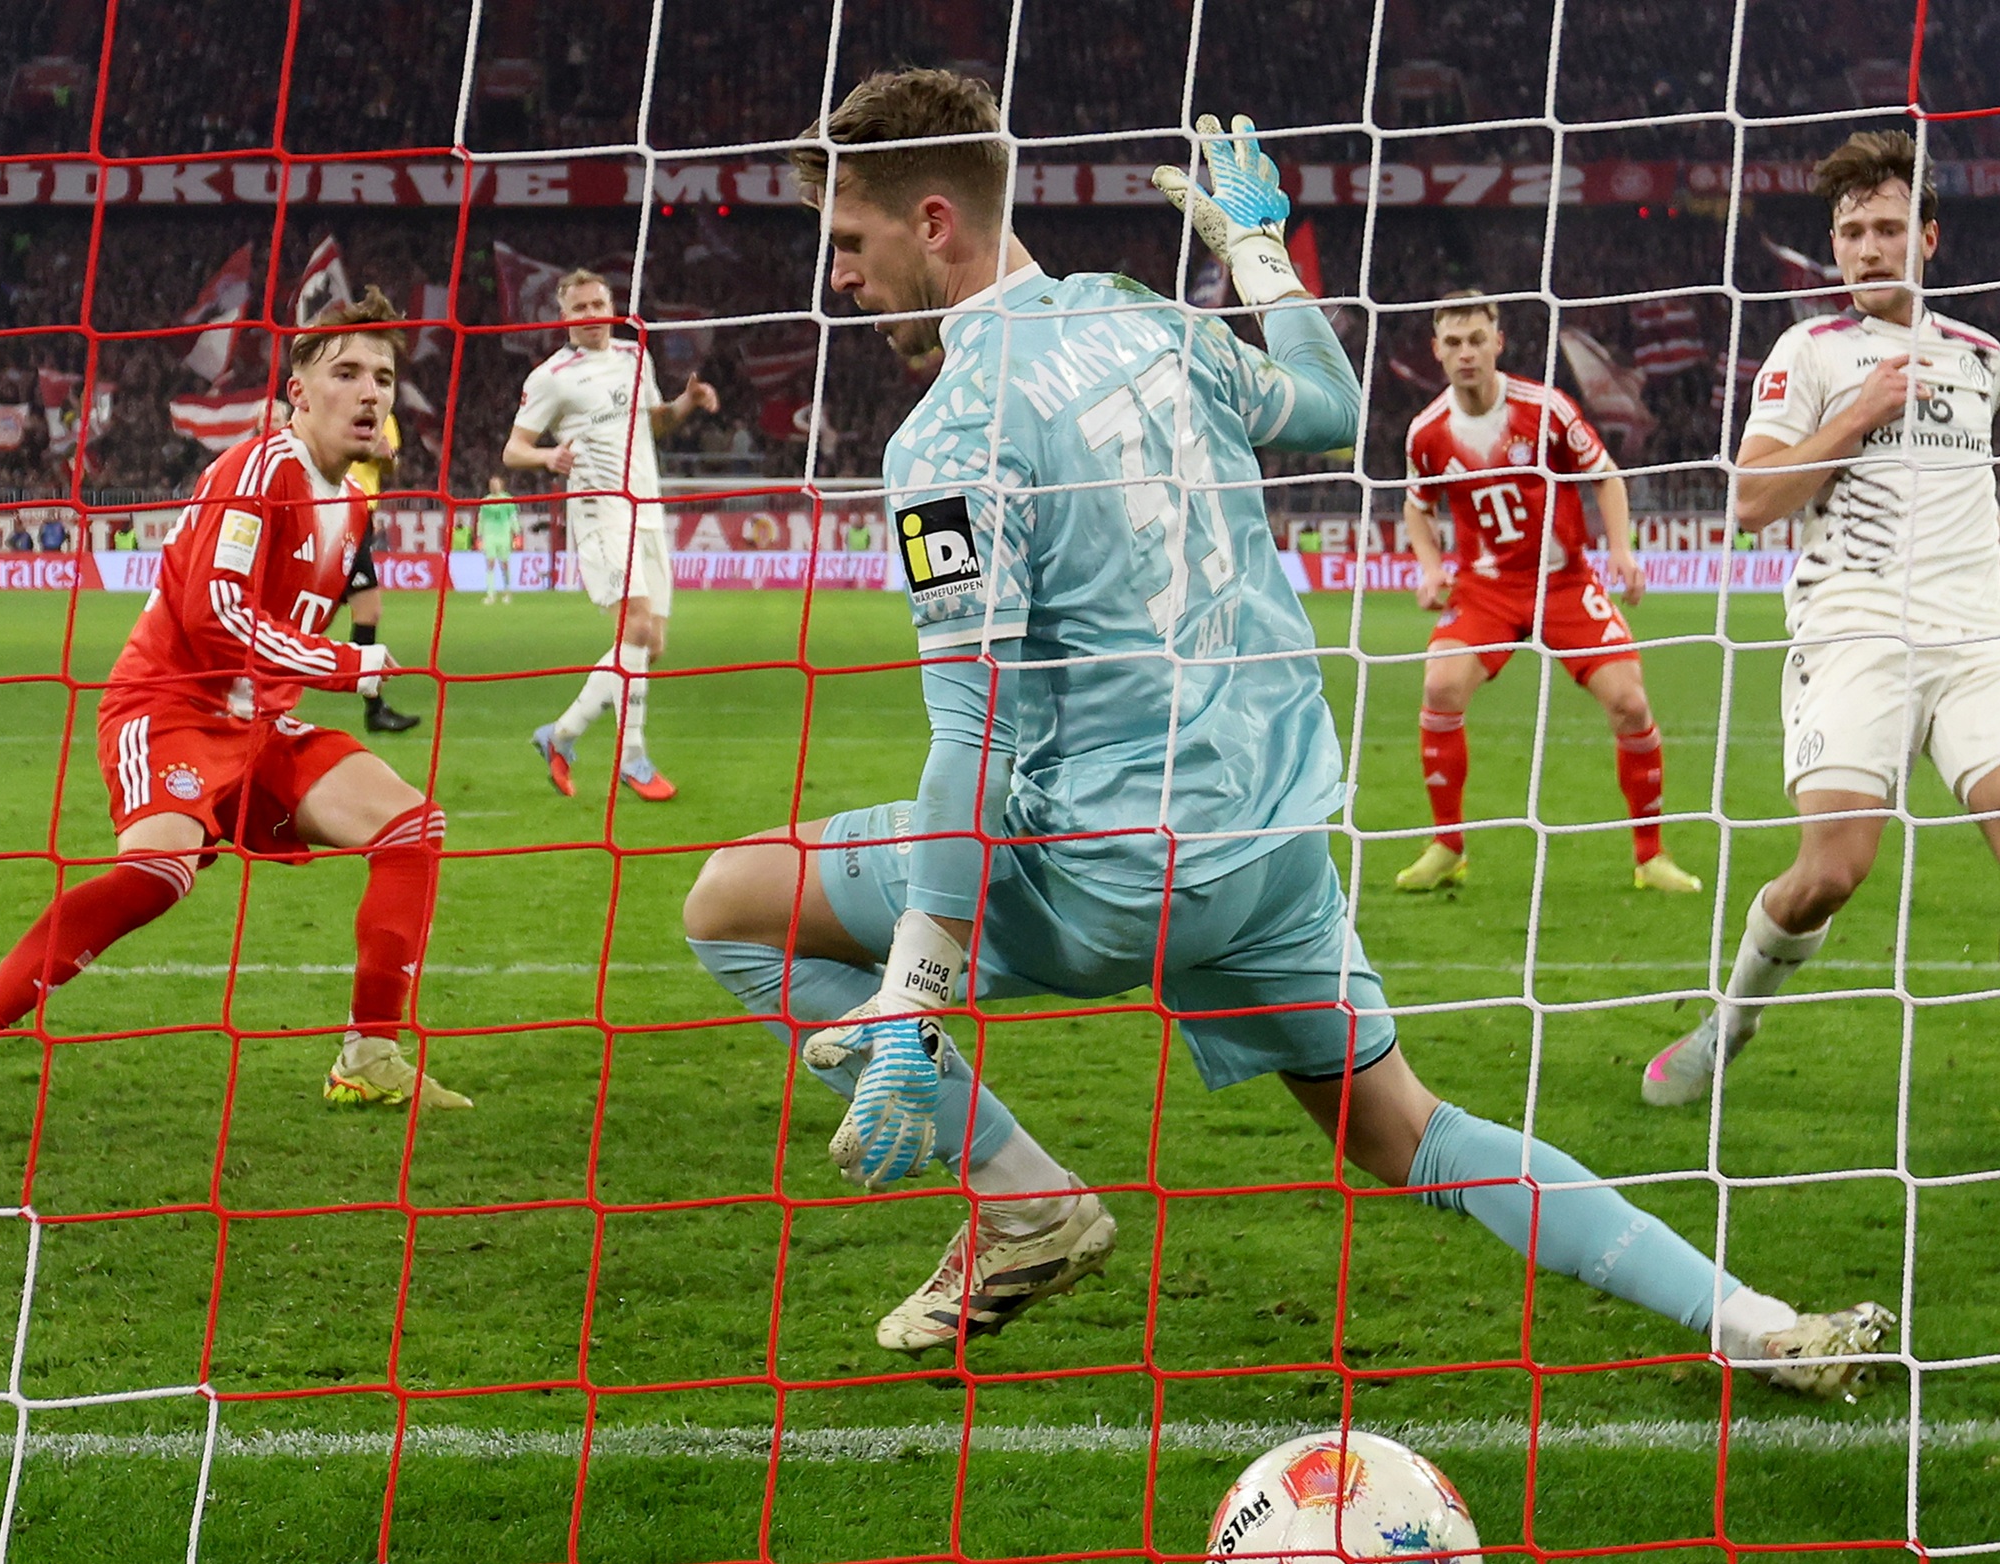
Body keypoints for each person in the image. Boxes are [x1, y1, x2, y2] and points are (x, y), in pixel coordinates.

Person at [680, 72, 1890, 1395]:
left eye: (847, 245)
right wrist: (1260, 256)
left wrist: (914, 994)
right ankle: (1757, 1321)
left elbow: (971, 732)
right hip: (1269, 844)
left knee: (729, 904)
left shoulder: (947, 437)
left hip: (1108, 873)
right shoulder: (1145, 322)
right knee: (1411, 1133)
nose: (834, 279)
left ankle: (1025, 1201)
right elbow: (1323, 408)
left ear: (933, 222)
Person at [1642, 131, 2000, 1154]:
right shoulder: (1810, 354)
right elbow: (1751, 500)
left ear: (1928, 235)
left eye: (1888, 227)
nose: (1871, 247)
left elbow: (1951, 483)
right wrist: (1857, 416)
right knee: (1833, 869)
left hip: (1974, 633)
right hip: (1854, 632)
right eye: (1851, 233)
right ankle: (1731, 1021)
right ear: (1834, 250)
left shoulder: (1979, 357)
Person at [0, 290, 469, 1139]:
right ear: (299, 391)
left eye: (382, 374)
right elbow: (215, 616)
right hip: (169, 707)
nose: (370, 391)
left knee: (412, 829)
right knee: (160, 875)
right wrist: (348, 665)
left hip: (258, 726)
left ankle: (370, 1057)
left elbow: (277, 625)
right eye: (345, 371)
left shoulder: (354, 503)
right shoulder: (258, 470)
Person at [1396, 292, 1700, 896]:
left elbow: (1605, 474)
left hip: (1563, 581)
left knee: (1630, 703)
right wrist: (1430, 567)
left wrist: (1621, 550)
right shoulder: (1427, 432)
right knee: (1440, 684)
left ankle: (1650, 856)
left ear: (1498, 343)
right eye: (1453, 343)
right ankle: (1447, 845)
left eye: (1476, 339)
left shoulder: (1545, 408)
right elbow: (1416, 505)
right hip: (1485, 587)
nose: (1466, 353)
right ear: (1436, 351)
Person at [505, 268, 719, 802]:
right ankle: (633, 759)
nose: (592, 314)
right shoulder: (551, 376)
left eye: (598, 303)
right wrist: (546, 456)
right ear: (564, 317)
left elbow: (654, 423)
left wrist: (687, 404)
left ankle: (561, 734)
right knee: (638, 627)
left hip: (647, 507)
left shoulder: (633, 356)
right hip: (600, 509)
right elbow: (514, 448)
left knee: (652, 645)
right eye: (579, 308)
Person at [342, 410, 422, 734]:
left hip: (362, 513)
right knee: (294, 613)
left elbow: (391, 466)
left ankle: (374, 708)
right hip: (334, 509)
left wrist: (386, 457)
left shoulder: (386, 417)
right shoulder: (334, 405)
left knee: (368, 612)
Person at [477, 475, 519, 604]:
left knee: (504, 564)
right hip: (489, 535)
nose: (494, 486)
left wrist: (517, 533)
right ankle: (491, 594)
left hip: (504, 534)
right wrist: (479, 536)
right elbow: (481, 519)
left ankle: (507, 591)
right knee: (490, 563)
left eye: (496, 484)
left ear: (501, 485)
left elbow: (513, 518)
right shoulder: (485, 501)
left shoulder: (508, 500)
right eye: (492, 484)